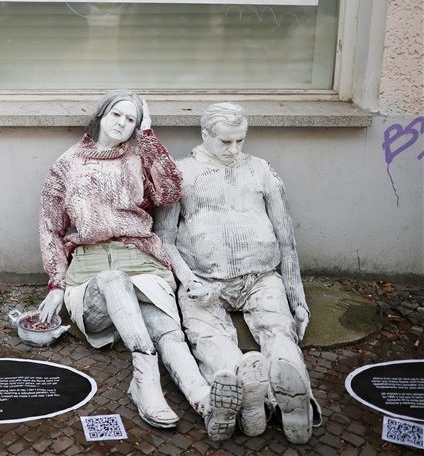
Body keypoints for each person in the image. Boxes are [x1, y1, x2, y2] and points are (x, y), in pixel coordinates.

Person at [37, 90, 240, 434]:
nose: (122, 123)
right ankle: (145, 382)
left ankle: (204, 401)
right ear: (101, 115)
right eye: (117, 114)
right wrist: (57, 284)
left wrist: (147, 136)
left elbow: (170, 193)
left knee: (168, 333)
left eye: (131, 119)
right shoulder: (67, 165)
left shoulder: (137, 156)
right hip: (92, 274)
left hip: (142, 261)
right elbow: (50, 227)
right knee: (114, 280)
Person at [154, 102, 322, 444]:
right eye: (225, 142)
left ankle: (292, 397)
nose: (234, 150)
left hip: (260, 277)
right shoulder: (181, 173)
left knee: (279, 330)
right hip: (203, 280)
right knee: (208, 336)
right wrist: (188, 281)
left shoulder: (261, 170)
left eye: (240, 141)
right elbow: (165, 240)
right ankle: (241, 385)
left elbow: (287, 241)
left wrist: (298, 300)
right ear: (205, 135)